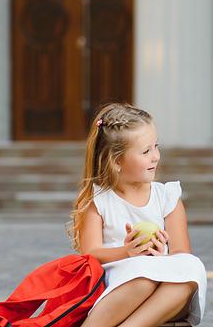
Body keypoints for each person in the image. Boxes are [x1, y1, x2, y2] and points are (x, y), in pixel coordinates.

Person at [68, 103, 206, 327]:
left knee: (192, 268)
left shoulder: (167, 196)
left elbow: (182, 254)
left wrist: (162, 252)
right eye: (146, 151)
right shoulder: (98, 200)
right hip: (121, 289)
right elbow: (90, 254)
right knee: (143, 277)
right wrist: (128, 252)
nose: (156, 156)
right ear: (117, 161)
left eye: (156, 147)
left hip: (164, 292)